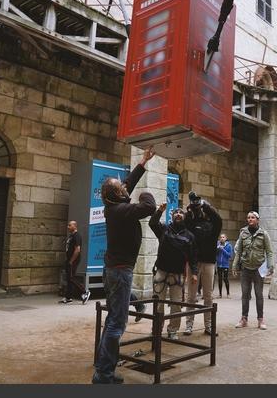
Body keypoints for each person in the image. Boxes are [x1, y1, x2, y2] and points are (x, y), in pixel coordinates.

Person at [92, 147, 156, 384]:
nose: (123, 184)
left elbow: (127, 183)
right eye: (119, 185)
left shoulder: (114, 207)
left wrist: (143, 162)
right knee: (117, 325)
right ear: (116, 193)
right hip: (119, 271)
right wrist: (146, 190)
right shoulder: (122, 211)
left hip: (114, 269)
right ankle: (103, 374)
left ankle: (102, 368)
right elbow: (148, 206)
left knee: (112, 321)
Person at [149, 203, 198, 340]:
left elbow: (193, 256)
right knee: (158, 303)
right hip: (161, 271)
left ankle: (173, 331)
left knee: (176, 305)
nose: (178, 214)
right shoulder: (164, 229)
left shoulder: (190, 236)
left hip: (178, 275)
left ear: (184, 217)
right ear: (172, 215)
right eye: (176, 212)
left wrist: (194, 273)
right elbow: (152, 223)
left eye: (181, 213)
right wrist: (159, 210)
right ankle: (156, 330)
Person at [183, 192, 222, 336]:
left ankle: (209, 326)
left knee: (208, 296)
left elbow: (218, 219)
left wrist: (205, 205)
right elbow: (185, 223)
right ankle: (189, 325)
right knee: (191, 296)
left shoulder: (213, 226)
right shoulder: (192, 225)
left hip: (209, 263)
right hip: (194, 263)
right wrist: (189, 209)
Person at [232, 211, 274, 330]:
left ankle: (260, 320)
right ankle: (244, 319)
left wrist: (270, 266)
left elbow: (269, 252)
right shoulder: (243, 233)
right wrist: (235, 266)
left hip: (258, 269)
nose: (250, 219)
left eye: (252, 217)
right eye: (248, 218)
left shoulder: (263, 234)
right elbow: (238, 251)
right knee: (245, 294)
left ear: (257, 220)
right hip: (245, 268)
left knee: (259, 295)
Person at [59, 221, 91, 305]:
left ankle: (85, 292)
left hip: (73, 260)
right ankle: (68, 297)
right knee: (69, 278)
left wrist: (71, 261)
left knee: (72, 278)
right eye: (68, 225)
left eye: (70, 225)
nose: (68, 227)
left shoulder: (77, 236)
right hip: (69, 259)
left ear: (75, 226)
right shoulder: (71, 236)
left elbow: (77, 250)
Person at [216, 234, 234, 298]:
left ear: (226, 238)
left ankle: (228, 293)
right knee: (219, 279)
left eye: (223, 237)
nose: (222, 238)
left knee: (225, 279)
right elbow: (216, 254)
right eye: (221, 237)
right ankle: (220, 294)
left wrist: (222, 249)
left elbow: (229, 255)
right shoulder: (217, 245)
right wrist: (218, 249)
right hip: (219, 265)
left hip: (225, 265)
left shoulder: (229, 246)